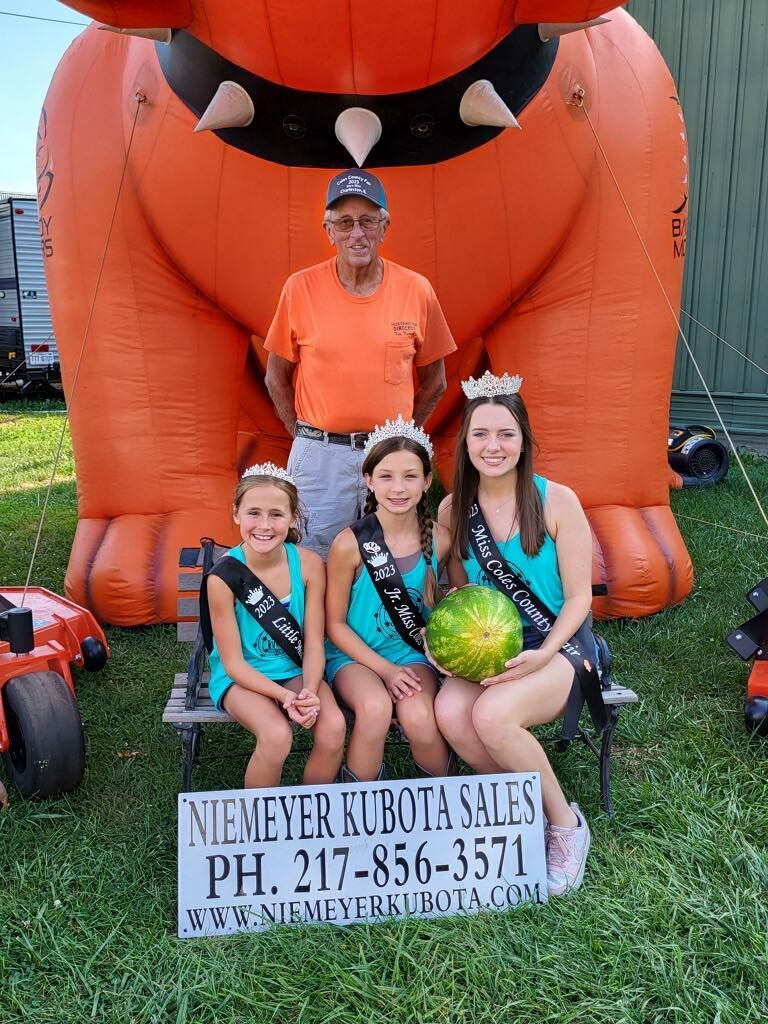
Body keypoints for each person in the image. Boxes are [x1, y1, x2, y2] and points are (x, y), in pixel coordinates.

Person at [432, 371, 602, 895]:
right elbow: (454, 598)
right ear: (465, 443)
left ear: (524, 439)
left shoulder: (557, 500)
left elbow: (579, 598)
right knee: (451, 714)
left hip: (560, 645)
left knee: (491, 715)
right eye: (481, 434)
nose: (493, 446)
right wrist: (439, 645)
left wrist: (545, 652)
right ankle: (515, 813)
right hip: (492, 648)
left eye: (506, 433)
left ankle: (565, 826)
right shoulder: (451, 509)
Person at [264, 169, 456, 558]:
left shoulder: (416, 290)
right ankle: (318, 623)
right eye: (345, 222)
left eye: (368, 221)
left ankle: (389, 623)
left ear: (384, 227)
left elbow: (435, 381)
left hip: (389, 456)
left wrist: (402, 436)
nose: (357, 234)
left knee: (396, 558)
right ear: (328, 229)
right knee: (313, 560)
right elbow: (276, 377)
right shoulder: (299, 288)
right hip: (320, 457)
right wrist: (304, 435)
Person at [325, 416, 451, 782]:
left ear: (427, 482)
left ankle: (446, 805)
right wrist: (386, 672)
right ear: (368, 480)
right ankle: (358, 808)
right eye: (386, 476)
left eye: (411, 476)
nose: (399, 487)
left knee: (419, 716)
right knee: (375, 707)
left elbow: (455, 602)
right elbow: (334, 624)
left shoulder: (440, 539)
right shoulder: (348, 544)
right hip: (355, 656)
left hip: (412, 653)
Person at [204, 463, 346, 788]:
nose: (264, 526)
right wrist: (284, 697)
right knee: (276, 735)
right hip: (242, 677)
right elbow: (233, 663)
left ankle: (311, 811)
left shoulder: (309, 565)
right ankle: (259, 828)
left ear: (293, 517)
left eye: (276, 514)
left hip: (295, 668)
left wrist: (309, 690)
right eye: (253, 513)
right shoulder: (223, 578)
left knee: (334, 726)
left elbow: (312, 642)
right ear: (236, 514)